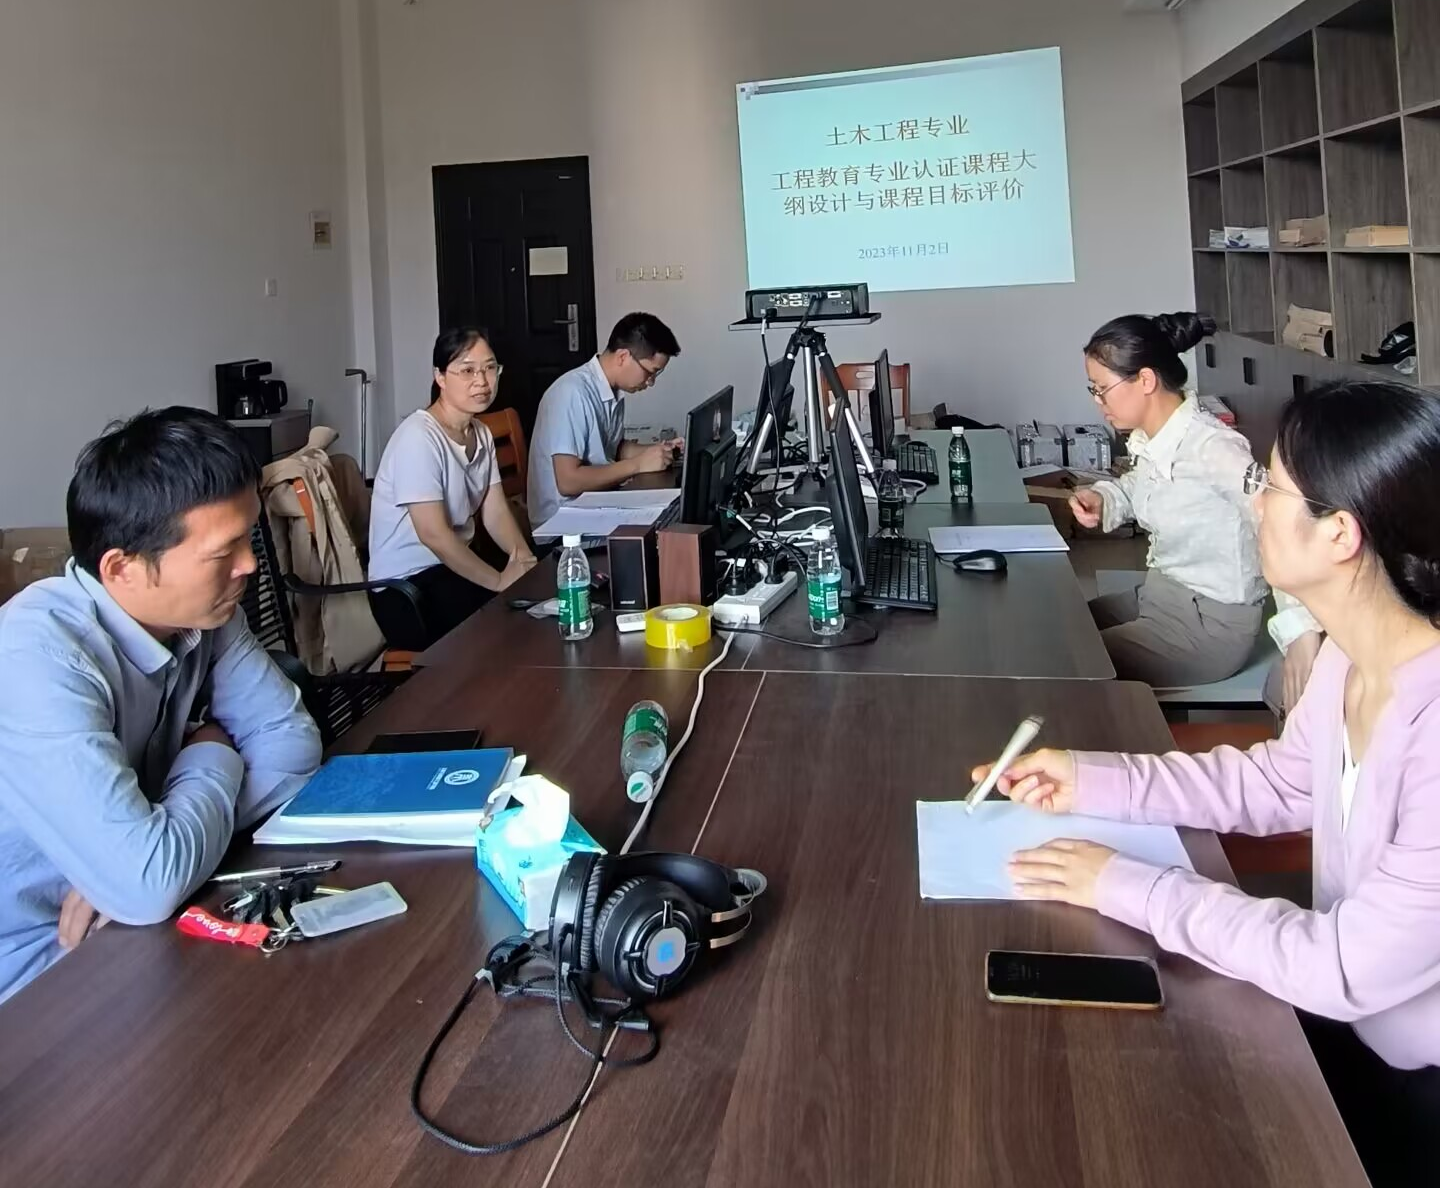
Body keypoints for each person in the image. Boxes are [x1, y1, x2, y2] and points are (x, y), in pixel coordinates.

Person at [977, 380, 1440, 1187]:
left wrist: (1125, 884)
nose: (1254, 505)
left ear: (1340, 533)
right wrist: (1089, 777)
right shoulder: (1349, 655)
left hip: (1413, 1082)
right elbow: (1277, 783)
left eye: (1272, 488)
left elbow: (1342, 966)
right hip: (1350, 1024)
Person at [0, 408, 322, 1006]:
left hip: (130, 925)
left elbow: (294, 750)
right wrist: (214, 752)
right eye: (224, 552)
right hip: (33, 966)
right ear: (122, 569)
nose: (250, 565)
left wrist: (150, 856)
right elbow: (147, 884)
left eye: (248, 539)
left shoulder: (207, 614)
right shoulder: (36, 655)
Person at [1071, 312, 1272, 686]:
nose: (1098, 401)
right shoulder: (1155, 438)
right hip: (1162, 596)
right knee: (1061, 626)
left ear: (1146, 380)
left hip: (1209, 626)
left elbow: (1281, 523)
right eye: (1093, 389)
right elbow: (1142, 485)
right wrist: (1105, 498)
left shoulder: (1213, 448)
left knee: (1070, 660)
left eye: (1102, 388)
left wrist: (1301, 632)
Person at [368, 327, 537, 649]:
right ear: (440, 377)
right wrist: (500, 580)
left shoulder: (481, 433)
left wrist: (523, 559)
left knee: (533, 598)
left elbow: (495, 511)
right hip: (407, 589)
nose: (482, 381)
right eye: (467, 370)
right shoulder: (419, 438)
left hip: (452, 569)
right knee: (505, 628)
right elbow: (434, 535)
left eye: (490, 368)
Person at [527, 312, 683, 528]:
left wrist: (659, 452)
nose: (651, 382)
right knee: (663, 534)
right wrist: (637, 465)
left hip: (596, 505)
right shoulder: (572, 393)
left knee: (670, 517)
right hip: (562, 525)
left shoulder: (613, 391)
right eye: (650, 372)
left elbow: (612, 449)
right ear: (623, 357)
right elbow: (568, 481)